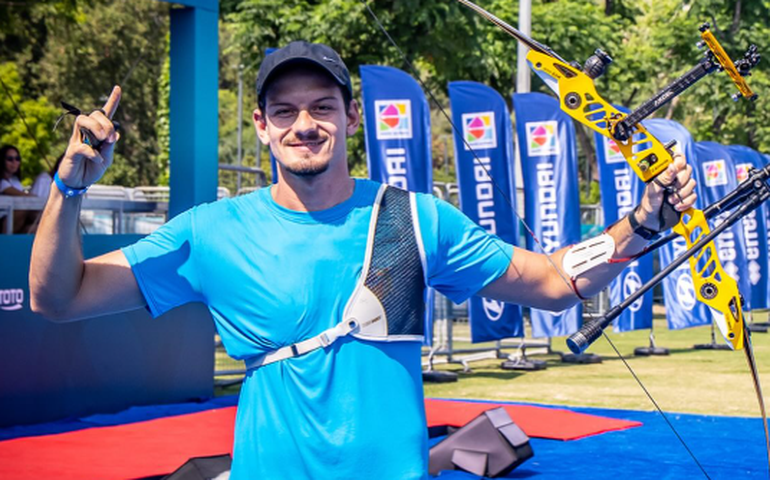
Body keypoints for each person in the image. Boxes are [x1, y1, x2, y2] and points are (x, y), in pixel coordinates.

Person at [29, 41, 697, 479]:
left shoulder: (416, 219)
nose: (304, 125)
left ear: (351, 117)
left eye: (322, 107)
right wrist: (69, 187)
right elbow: (57, 297)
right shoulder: (212, 231)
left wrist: (641, 225)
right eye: (284, 111)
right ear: (261, 126)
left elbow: (551, 282)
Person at [0, 144, 38, 233]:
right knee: (25, 206)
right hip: (3, 224)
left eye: (17, 159)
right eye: (10, 159)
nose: (14, 162)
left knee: (38, 227)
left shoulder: (15, 180)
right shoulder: (1, 182)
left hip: (18, 224)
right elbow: (24, 197)